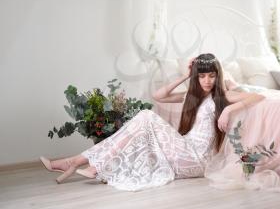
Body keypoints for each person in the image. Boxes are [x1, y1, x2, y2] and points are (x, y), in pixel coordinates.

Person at [40, 53, 265, 191]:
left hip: (196, 160)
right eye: (202, 75)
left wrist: (228, 110)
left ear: (218, 75)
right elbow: (159, 96)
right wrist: (186, 76)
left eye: (211, 75)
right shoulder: (192, 96)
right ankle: (88, 163)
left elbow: (258, 97)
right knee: (141, 129)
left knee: (146, 118)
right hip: (183, 150)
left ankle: (78, 162)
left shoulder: (222, 97)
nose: (206, 80)